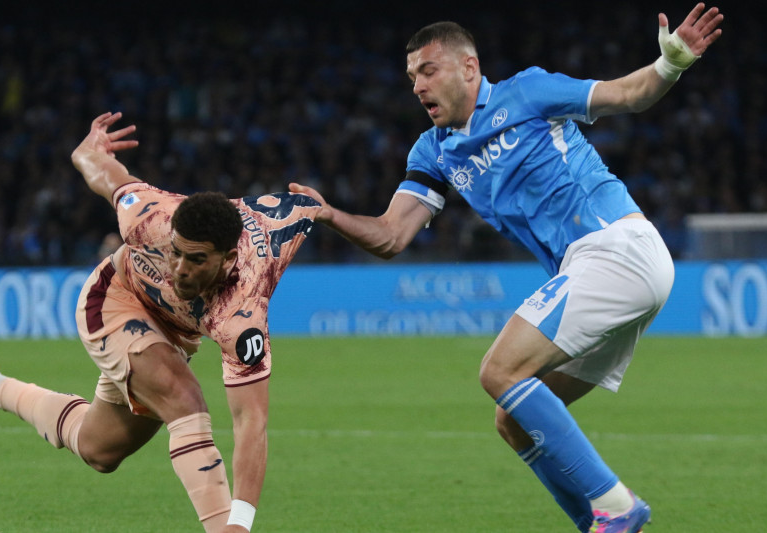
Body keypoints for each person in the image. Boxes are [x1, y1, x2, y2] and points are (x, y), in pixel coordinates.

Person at [290, 4, 723, 532]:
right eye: (411, 77)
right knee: (512, 420)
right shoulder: (434, 151)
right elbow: (391, 236)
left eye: (428, 70)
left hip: (616, 247)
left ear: (469, 67)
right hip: (596, 270)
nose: (418, 86)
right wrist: (328, 214)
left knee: (499, 371)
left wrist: (670, 64)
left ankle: (618, 506)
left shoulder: (528, 92)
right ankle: (600, 524)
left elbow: (628, 94)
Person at [0, 112, 321, 533]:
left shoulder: (243, 311)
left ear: (226, 259)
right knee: (184, 399)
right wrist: (88, 150)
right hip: (115, 301)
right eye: (176, 253)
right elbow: (100, 169)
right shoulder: (149, 217)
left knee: (98, 449)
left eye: (195, 259)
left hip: (173, 333)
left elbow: (250, 421)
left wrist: (332, 212)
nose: (180, 268)